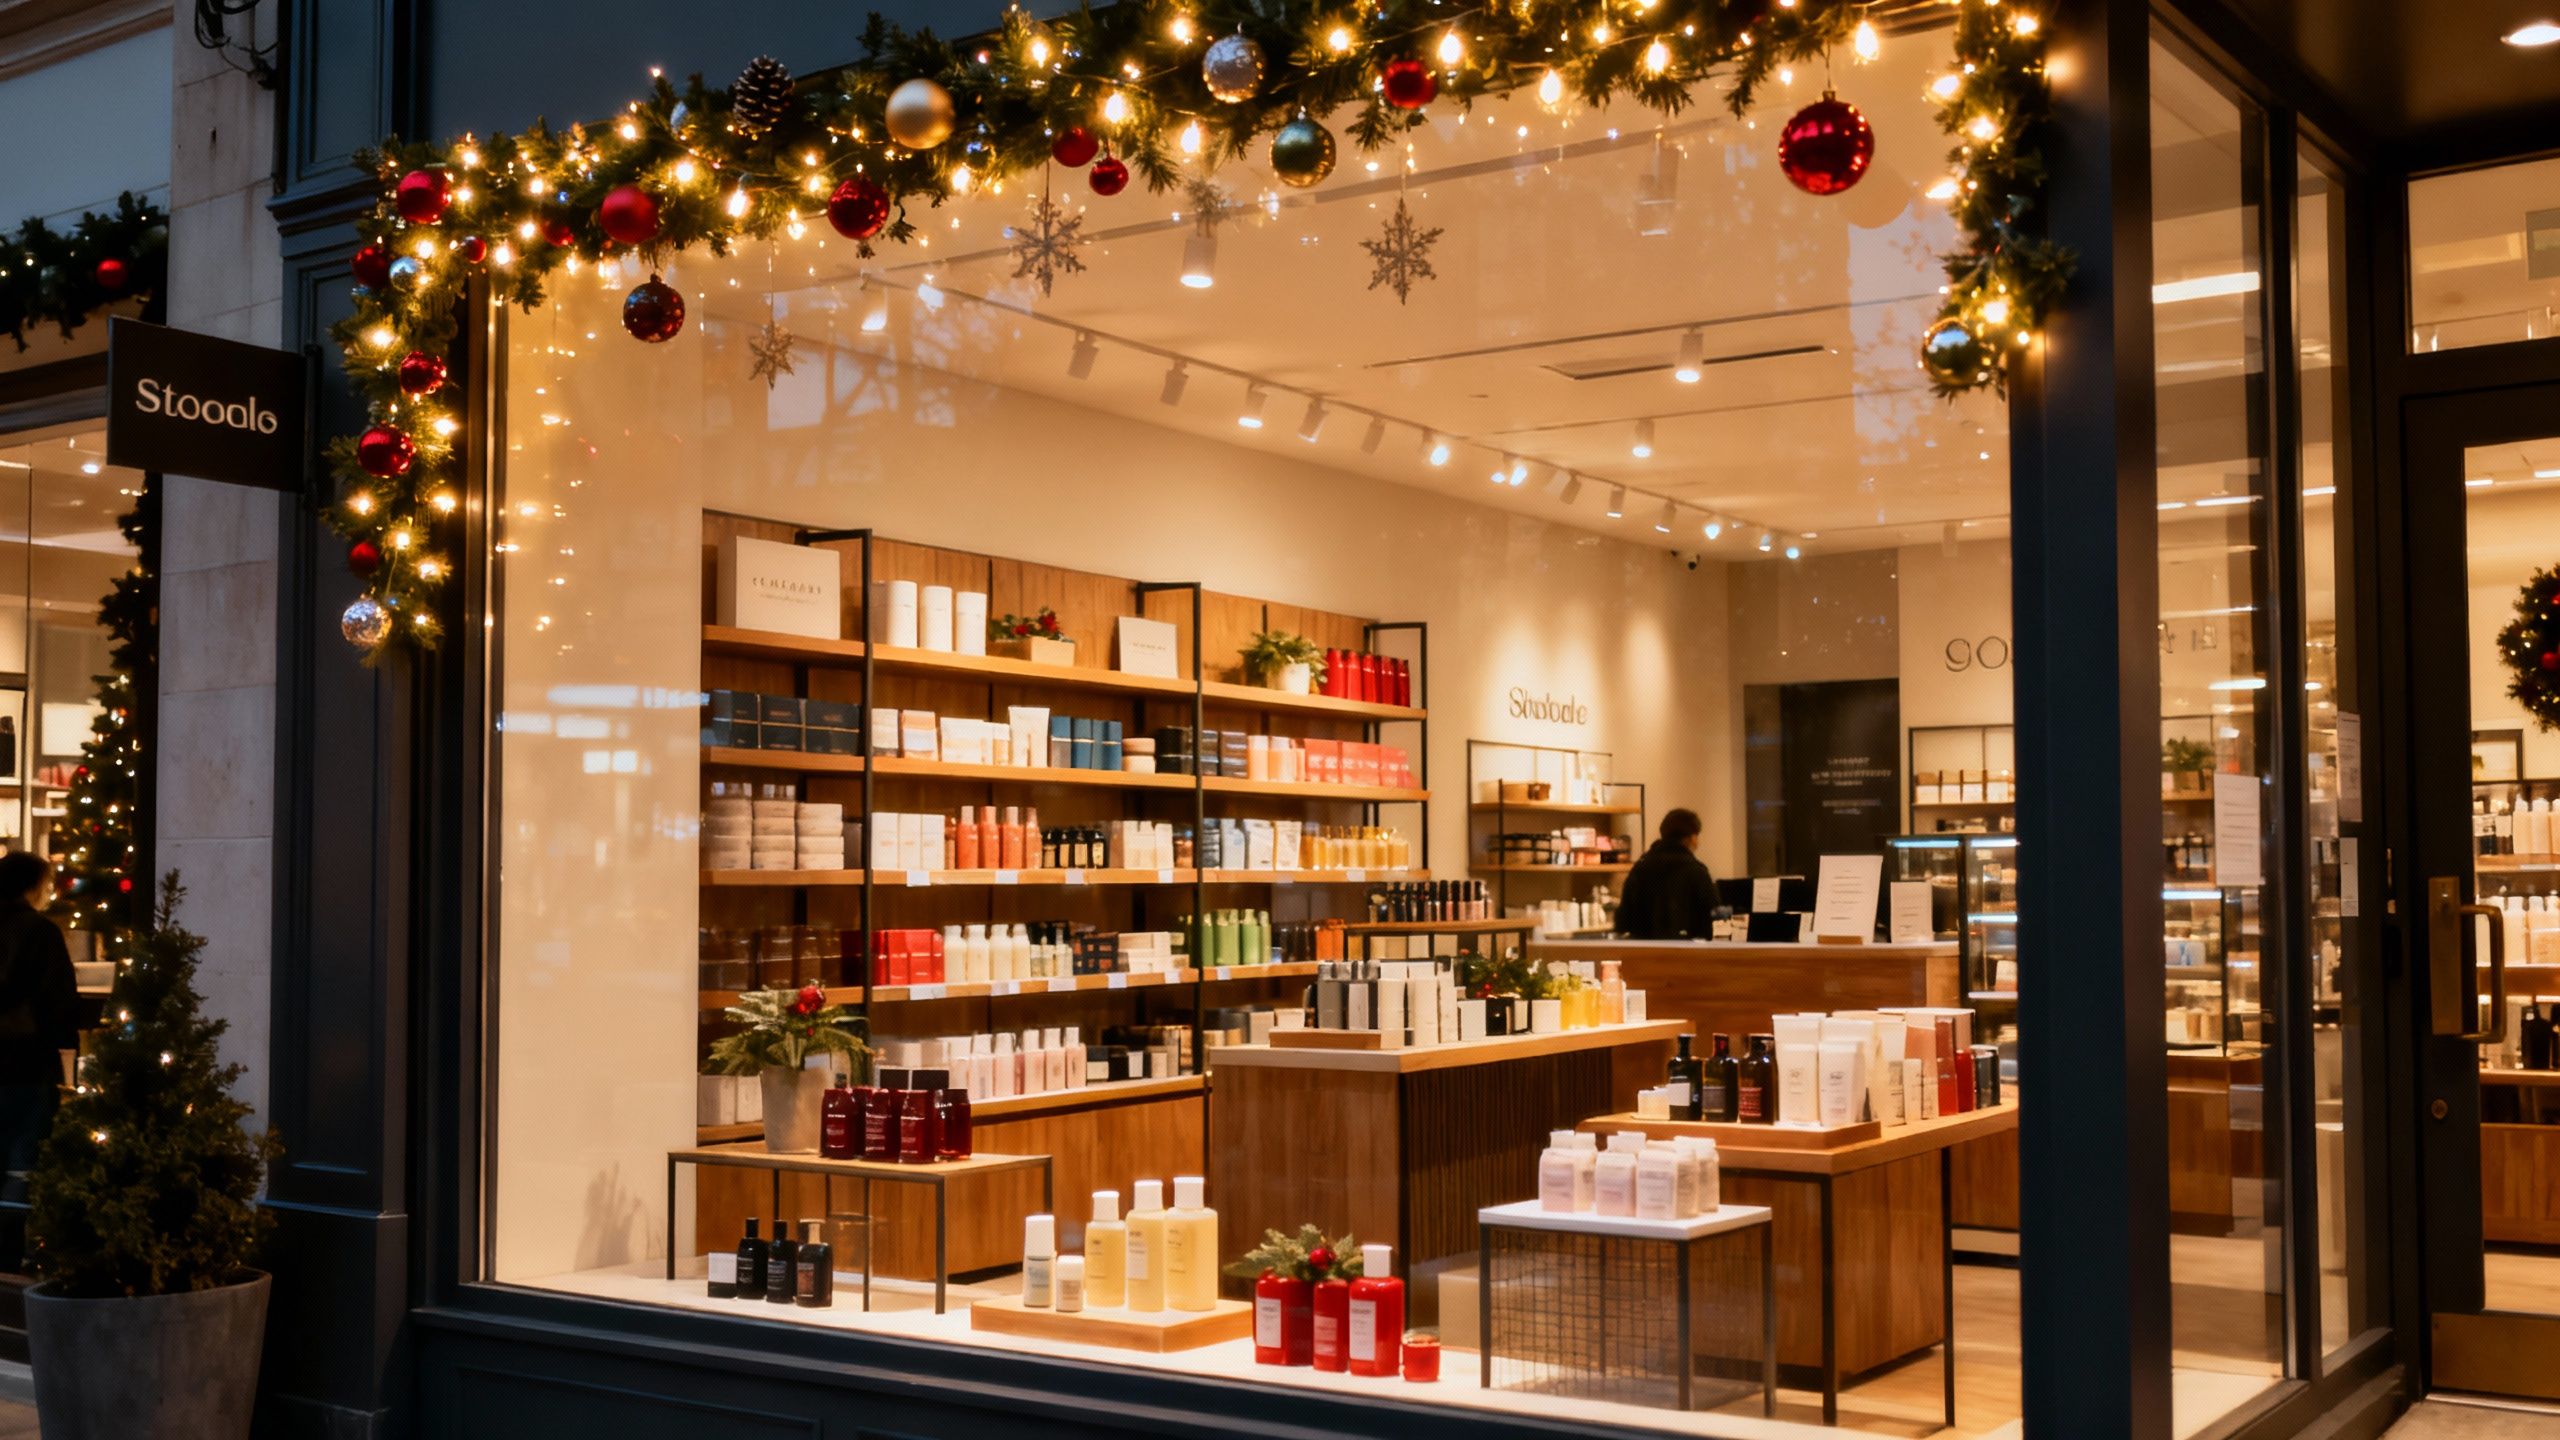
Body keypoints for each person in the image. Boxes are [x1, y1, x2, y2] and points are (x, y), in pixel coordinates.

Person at [0, 852, 73, 1265]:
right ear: (33, 886)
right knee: (23, 1164)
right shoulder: (40, 933)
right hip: (27, 1064)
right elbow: (58, 1002)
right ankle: (8, 1252)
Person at [1614, 808, 1722, 940]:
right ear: (1691, 838)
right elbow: (1713, 913)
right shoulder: (1695, 871)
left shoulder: (1640, 867)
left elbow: (1623, 919)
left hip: (1643, 952)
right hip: (1684, 952)